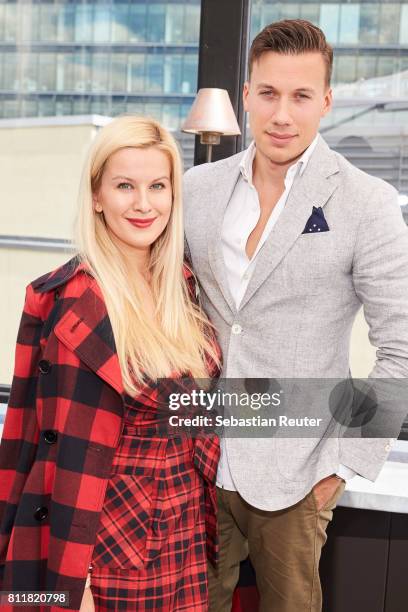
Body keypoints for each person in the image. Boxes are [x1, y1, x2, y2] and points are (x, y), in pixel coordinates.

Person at [183, 19, 408, 612]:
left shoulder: (367, 202)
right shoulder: (196, 189)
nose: (283, 114)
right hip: (196, 459)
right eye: (269, 93)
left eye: (301, 96)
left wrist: (342, 467)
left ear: (326, 101)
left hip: (299, 472)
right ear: (247, 94)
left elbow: (401, 347)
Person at [0, 115, 221, 611]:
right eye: (125, 186)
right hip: (99, 550)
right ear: (97, 196)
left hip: (186, 538)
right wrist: (58, 588)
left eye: (157, 186)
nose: (144, 204)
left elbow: (206, 420)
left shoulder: (187, 289)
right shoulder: (64, 299)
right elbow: (28, 442)